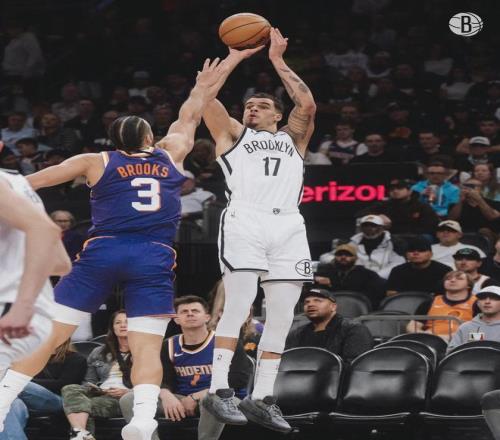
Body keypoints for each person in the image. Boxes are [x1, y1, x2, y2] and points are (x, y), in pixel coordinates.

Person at [0, 57, 229, 440]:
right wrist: (204, 84)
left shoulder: (95, 160)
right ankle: (143, 420)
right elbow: (190, 114)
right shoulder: (171, 153)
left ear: (115, 141)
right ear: (150, 138)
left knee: (51, 337)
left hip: (103, 252)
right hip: (153, 255)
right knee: (147, 348)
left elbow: (28, 183)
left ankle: (2, 401)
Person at [201, 28, 317, 434]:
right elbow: (206, 100)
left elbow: (306, 103)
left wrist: (278, 60)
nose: (253, 108)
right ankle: (218, 389)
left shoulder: (294, 139)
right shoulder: (234, 135)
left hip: (289, 224)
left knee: (282, 315)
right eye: (249, 105)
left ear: (277, 116)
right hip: (245, 219)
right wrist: (233, 58)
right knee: (239, 304)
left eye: (263, 105)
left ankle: (263, 396)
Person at [119, 296, 252, 440]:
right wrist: (166, 395)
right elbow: (158, 377)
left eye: (195, 311)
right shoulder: (168, 345)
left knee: (213, 399)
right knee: (129, 399)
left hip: (224, 400)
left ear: (207, 317)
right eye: (184, 311)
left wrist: (196, 397)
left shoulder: (225, 342)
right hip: (181, 399)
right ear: (176, 319)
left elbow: (238, 379)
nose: (190, 314)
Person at [0, 168, 71, 433]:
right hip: (29, 315)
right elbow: (61, 263)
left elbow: (44, 229)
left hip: (13, 309)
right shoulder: (20, 185)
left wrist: (22, 305)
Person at [61, 310, 131, 439]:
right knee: (69, 388)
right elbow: (88, 382)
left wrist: (128, 392)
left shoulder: (145, 352)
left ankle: (79, 434)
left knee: (81, 407)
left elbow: (153, 385)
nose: (122, 325)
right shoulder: (99, 352)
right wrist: (96, 389)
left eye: (127, 322)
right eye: (118, 322)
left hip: (125, 399)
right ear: (112, 328)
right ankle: (82, 434)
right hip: (102, 393)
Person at [0, 340, 86, 440]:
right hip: (25, 398)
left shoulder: (76, 359)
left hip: (59, 401)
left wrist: (29, 381)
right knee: (11, 403)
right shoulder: (31, 358)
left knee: (15, 383)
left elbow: (65, 384)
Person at [285, 288, 373, 362]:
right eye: (306, 302)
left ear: (333, 307)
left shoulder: (354, 329)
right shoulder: (296, 334)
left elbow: (356, 366)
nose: (310, 304)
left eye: (318, 301)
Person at [406, 271, 478, 340]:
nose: (452, 280)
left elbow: (480, 334)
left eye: (459, 279)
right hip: (431, 342)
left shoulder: (478, 303)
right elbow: (412, 326)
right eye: (448, 279)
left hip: (463, 344)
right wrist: (423, 335)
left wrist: (454, 337)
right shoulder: (430, 302)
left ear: (469, 285)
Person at [314, 243, 386, 309]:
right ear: (335, 257)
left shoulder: (367, 274)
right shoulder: (325, 271)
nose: (343, 257)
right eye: (339, 254)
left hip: (356, 309)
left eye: (348, 255)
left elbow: (376, 294)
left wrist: (332, 284)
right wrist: (315, 279)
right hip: (329, 308)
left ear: (355, 258)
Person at [359, 178, 440, 235]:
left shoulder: (420, 206)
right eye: (392, 189)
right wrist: (377, 216)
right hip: (389, 237)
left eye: (399, 188)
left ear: (409, 191)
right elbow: (360, 214)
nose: (395, 191)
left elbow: (432, 226)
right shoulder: (384, 205)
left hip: (415, 237)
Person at [386, 237, 451, 296]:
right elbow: (391, 294)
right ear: (406, 254)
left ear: (431, 254)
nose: (416, 253)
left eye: (421, 250)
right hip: (405, 303)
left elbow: (450, 294)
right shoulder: (397, 271)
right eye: (411, 250)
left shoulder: (445, 270)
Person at [348, 215, 404, 279]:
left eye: (373, 225)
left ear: (381, 227)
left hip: (384, 279)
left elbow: (398, 263)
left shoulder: (394, 242)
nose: (369, 228)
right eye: (366, 225)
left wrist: (377, 276)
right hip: (358, 279)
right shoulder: (353, 242)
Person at [448, 286, 500, 352]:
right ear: (477, 303)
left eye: (494, 298)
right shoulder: (465, 327)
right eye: (482, 298)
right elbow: (451, 353)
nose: (487, 301)